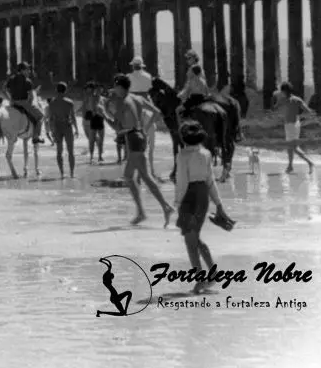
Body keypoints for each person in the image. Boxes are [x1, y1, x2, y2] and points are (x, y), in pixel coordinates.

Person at [107, 74, 174, 227]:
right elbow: (157, 112)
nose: (114, 90)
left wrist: (104, 113)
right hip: (140, 137)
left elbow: (118, 128)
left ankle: (161, 207)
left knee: (143, 177)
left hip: (133, 139)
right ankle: (145, 211)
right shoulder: (137, 98)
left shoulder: (123, 103)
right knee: (131, 176)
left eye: (115, 87)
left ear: (120, 87)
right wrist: (144, 127)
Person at [174, 121, 231, 294]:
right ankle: (212, 274)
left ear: (183, 137)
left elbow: (182, 181)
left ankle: (200, 281)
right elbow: (211, 181)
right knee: (195, 239)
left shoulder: (182, 155)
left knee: (190, 242)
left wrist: (178, 202)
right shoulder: (206, 154)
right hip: (203, 196)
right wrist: (218, 204)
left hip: (189, 197)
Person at [275, 82, 315, 174]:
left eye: (282, 91)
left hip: (290, 126)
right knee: (290, 147)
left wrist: (275, 97)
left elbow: (274, 108)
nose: (281, 93)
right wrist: (301, 117)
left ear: (284, 91)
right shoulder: (297, 99)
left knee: (294, 148)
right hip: (296, 124)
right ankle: (290, 166)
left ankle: (310, 162)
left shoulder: (283, 100)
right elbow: (308, 110)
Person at [45, 82, 79, 177]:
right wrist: (76, 129)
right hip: (67, 126)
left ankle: (62, 174)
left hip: (57, 127)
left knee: (59, 151)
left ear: (56, 90)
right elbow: (73, 117)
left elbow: (50, 119)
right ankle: (72, 174)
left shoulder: (52, 103)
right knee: (71, 151)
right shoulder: (69, 102)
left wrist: (52, 131)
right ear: (66, 90)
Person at [4, 62, 44, 144]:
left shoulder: (11, 79)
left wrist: (10, 99)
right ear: (22, 70)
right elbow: (31, 97)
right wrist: (28, 105)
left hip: (13, 103)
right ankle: (36, 137)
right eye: (27, 69)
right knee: (40, 116)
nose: (29, 71)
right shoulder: (28, 81)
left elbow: (4, 90)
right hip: (24, 103)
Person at [81, 82, 106, 163]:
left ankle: (100, 156)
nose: (99, 90)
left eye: (100, 89)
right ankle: (91, 157)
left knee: (101, 139)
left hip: (101, 119)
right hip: (93, 119)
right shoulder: (92, 97)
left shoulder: (103, 99)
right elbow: (91, 107)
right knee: (91, 140)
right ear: (95, 90)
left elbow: (105, 110)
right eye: (97, 89)